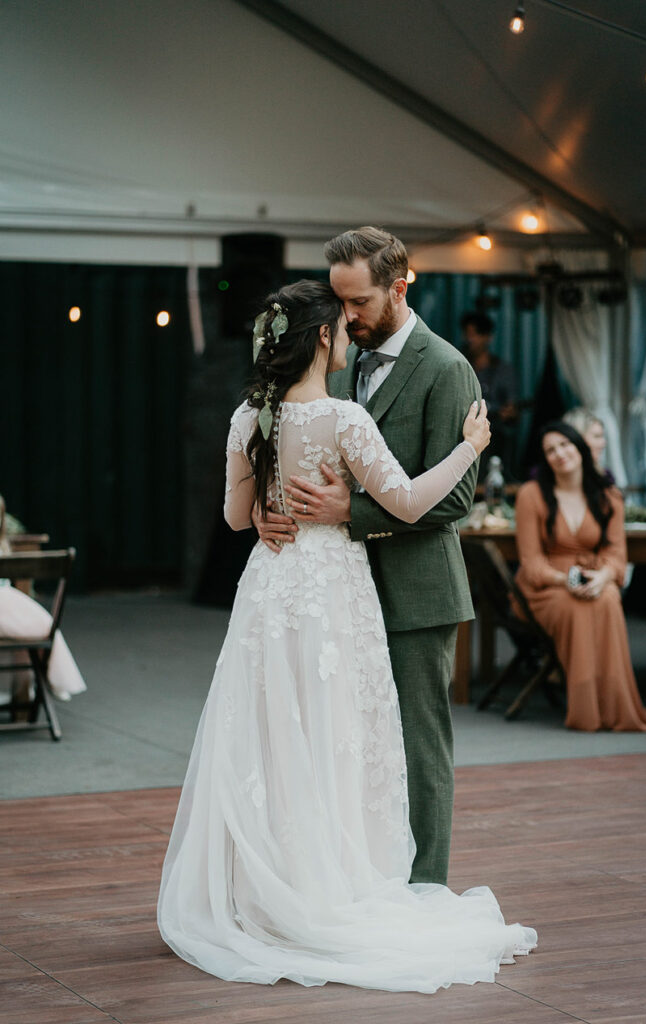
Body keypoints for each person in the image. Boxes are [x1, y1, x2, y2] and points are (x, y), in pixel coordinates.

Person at [157, 280, 537, 992]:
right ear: (322, 339)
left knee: (271, 734)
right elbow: (407, 501)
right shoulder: (344, 418)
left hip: (269, 592)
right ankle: (331, 882)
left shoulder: (248, 416)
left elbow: (237, 519)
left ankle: (264, 887)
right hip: (332, 594)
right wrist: (469, 449)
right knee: (336, 732)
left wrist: (270, 514)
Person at [255, 228, 482, 886]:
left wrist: (344, 513)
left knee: (417, 748)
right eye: (338, 302)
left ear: (399, 287)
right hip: (346, 589)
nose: (344, 316)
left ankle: (426, 890)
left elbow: (455, 500)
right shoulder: (349, 362)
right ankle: (370, 879)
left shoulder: (446, 368)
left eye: (357, 302)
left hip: (417, 593)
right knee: (359, 743)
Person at [514, 422, 646, 732]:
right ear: (545, 460)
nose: (559, 454)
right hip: (546, 586)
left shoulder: (609, 496)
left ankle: (614, 706)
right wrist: (567, 581)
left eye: (565, 445)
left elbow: (616, 554)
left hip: (594, 578)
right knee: (575, 608)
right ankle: (586, 712)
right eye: (550, 450)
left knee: (607, 600)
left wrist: (603, 578)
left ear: (579, 447)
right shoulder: (531, 495)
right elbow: (531, 562)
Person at [0, 494, 86, 702]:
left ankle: (34, 685)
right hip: (10, 610)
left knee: (34, 629)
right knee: (44, 627)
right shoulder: (3, 545)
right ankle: (48, 679)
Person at [460, 311, 518, 468]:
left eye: (476, 334)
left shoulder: (503, 370)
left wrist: (508, 412)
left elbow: (511, 408)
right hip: (464, 435)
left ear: (488, 337)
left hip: (495, 437)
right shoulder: (460, 367)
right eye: (467, 334)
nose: (470, 339)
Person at [562, 407, 615, 484]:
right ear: (578, 438)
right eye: (597, 436)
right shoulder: (554, 477)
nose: (603, 443)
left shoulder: (604, 476)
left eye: (602, 436)